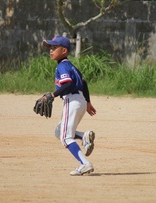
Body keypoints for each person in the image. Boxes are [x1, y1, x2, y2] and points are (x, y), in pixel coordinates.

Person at [42, 35, 97, 176]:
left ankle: (85, 164)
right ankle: (84, 136)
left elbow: (68, 84)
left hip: (71, 100)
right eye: (50, 47)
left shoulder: (62, 66)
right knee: (59, 131)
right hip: (80, 101)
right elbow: (83, 83)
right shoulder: (71, 66)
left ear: (64, 51)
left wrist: (52, 95)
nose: (51, 50)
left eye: (54, 47)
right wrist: (88, 102)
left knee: (65, 138)